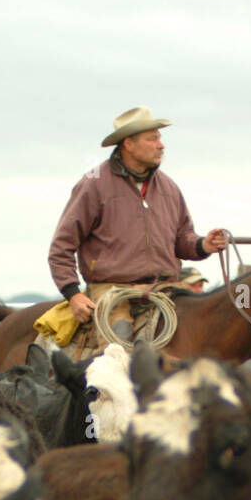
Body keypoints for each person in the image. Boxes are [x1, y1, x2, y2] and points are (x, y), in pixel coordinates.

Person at [46, 107, 227, 339]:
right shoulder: (93, 185)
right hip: (112, 291)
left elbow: (183, 240)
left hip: (166, 289)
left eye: (160, 138)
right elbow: (61, 247)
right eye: (152, 139)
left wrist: (204, 245)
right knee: (119, 347)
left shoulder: (169, 188)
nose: (160, 145)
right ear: (128, 144)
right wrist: (73, 295)